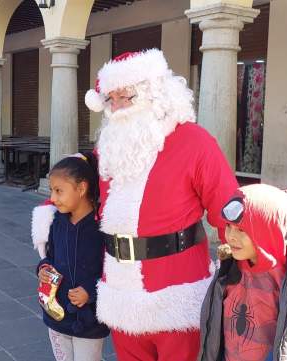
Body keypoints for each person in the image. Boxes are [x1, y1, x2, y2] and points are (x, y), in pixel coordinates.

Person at [32, 49, 239, 360]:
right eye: (110, 99)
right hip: (120, 293)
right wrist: (47, 211)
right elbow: (73, 178)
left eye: (126, 96)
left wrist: (253, 268)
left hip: (177, 293)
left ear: (155, 93)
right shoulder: (109, 148)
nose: (116, 107)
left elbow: (229, 209)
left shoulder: (195, 141)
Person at [198, 184, 287, 361]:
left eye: (241, 230)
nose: (231, 236)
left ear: (266, 231)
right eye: (228, 226)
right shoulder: (226, 273)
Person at [35, 152, 109, 361]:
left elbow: (112, 270)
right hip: (56, 314)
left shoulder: (101, 227)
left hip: (89, 320)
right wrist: (43, 268)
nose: (53, 198)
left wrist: (90, 291)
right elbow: (50, 256)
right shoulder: (57, 222)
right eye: (52, 190)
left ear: (82, 188)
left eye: (59, 191)